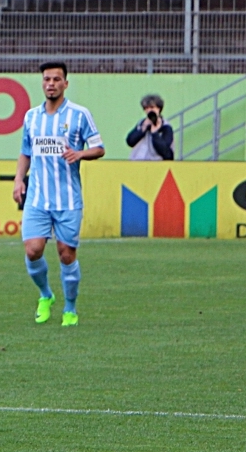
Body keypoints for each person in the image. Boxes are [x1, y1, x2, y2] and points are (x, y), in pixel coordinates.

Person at [12, 62, 105, 327]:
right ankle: (45, 295)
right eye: (46, 79)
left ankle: (70, 309)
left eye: (56, 79)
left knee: (66, 254)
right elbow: (25, 152)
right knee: (33, 250)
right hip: (37, 198)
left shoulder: (79, 115)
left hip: (67, 199)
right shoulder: (31, 117)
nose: (51, 84)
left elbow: (99, 148)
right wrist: (19, 179)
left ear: (65, 83)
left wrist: (81, 153)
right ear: (42, 83)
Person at [126, 94, 174, 160]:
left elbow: (165, 152)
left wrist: (155, 133)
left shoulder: (166, 126)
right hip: (136, 162)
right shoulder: (141, 123)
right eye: (146, 108)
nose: (149, 110)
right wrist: (143, 128)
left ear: (159, 109)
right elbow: (130, 141)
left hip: (155, 164)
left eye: (152, 107)